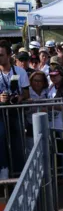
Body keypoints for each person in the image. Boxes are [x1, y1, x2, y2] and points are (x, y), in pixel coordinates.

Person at [0, 40, 30, 179]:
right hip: (0, 114)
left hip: (16, 112)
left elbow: (26, 93)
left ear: (9, 55)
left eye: (1, 55)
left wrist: (19, 97)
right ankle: (4, 171)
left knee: (18, 143)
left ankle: (20, 174)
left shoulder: (19, 71)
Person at [25, 71, 49, 155]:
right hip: (31, 124)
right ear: (31, 81)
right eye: (35, 80)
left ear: (44, 82)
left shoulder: (47, 91)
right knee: (32, 151)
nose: (37, 83)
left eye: (40, 81)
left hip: (46, 124)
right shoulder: (27, 93)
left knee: (45, 149)